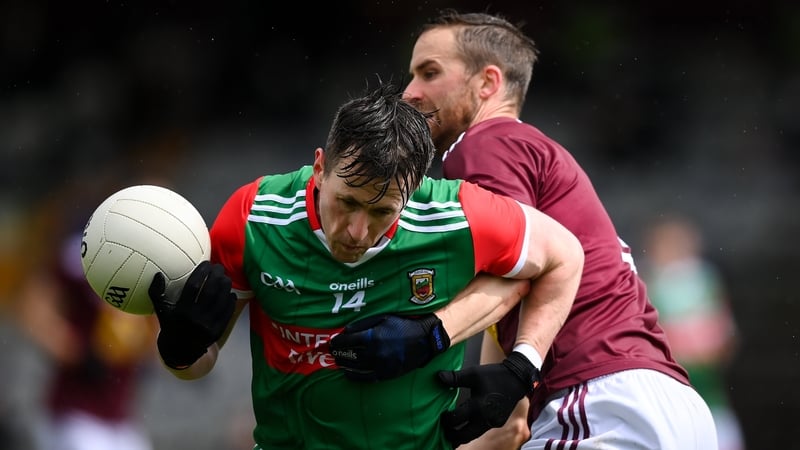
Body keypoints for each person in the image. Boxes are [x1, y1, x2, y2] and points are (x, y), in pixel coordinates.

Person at [332, 10, 718, 450]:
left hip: (597, 399)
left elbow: (523, 272)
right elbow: (511, 421)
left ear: (487, 83)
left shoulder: (483, 145)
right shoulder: (527, 154)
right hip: (652, 402)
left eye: (430, 72)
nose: (410, 93)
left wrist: (427, 334)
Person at [145, 81, 585, 449]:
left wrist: (522, 367)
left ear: (413, 192)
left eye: (381, 212)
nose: (356, 231)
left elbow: (565, 255)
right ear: (320, 168)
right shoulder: (255, 217)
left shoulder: (460, 218)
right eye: (347, 202)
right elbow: (200, 363)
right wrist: (178, 351)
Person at [16, 178, 159, 450]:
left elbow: (150, 333)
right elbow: (32, 306)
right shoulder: (82, 253)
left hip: (119, 415)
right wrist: (75, 351)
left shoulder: (151, 265)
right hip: (76, 411)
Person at [642, 215, 746, 450]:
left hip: (712, 404)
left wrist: (700, 344)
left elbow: (726, 344)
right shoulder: (644, 285)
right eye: (666, 245)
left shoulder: (706, 282)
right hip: (666, 408)